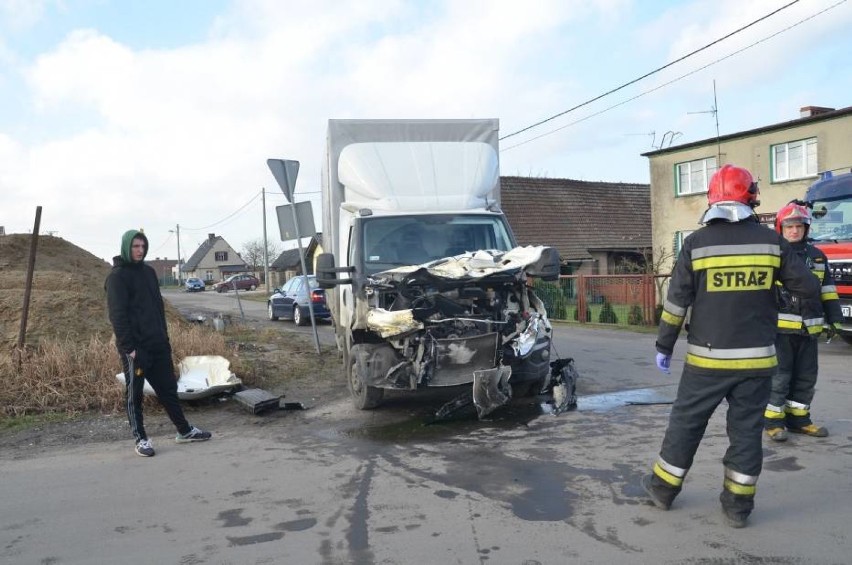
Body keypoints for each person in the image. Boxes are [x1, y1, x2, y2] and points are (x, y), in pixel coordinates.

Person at [642, 165, 819, 528]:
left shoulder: (695, 243)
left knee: (686, 424)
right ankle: (738, 507)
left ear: (712, 199)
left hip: (706, 360)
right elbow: (809, 288)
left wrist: (665, 345)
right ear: (751, 197)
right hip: (757, 361)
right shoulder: (773, 242)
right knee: (746, 432)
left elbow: (676, 303)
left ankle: (662, 490)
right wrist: (772, 294)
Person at [106, 229, 212, 457]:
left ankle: (184, 431)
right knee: (134, 395)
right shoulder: (117, 277)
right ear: (126, 247)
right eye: (135, 246)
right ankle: (141, 439)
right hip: (136, 349)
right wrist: (131, 350)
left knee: (168, 390)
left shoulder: (149, 272)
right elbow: (118, 317)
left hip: (158, 345)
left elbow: (158, 309)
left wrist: (165, 339)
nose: (140, 250)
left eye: (143, 246)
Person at [764, 202, 843, 441]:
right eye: (789, 227)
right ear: (781, 228)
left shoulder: (817, 257)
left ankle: (799, 420)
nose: (794, 231)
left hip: (810, 328)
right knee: (779, 377)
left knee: (806, 378)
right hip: (780, 331)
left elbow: (827, 290)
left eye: (799, 226)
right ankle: (773, 422)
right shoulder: (772, 255)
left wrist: (836, 319)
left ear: (806, 229)